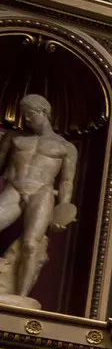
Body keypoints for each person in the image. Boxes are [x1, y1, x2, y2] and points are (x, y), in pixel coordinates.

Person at [0, 95, 78, 306]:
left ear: (43, 112)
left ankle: (21, 298)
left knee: (30, 244)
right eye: (24, 114)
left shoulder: (65, 147)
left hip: (42, 192)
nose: (25, 119)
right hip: (14, 189)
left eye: (29, 114)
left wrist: (62, 211)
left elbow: (66, 182)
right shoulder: (15, 139)